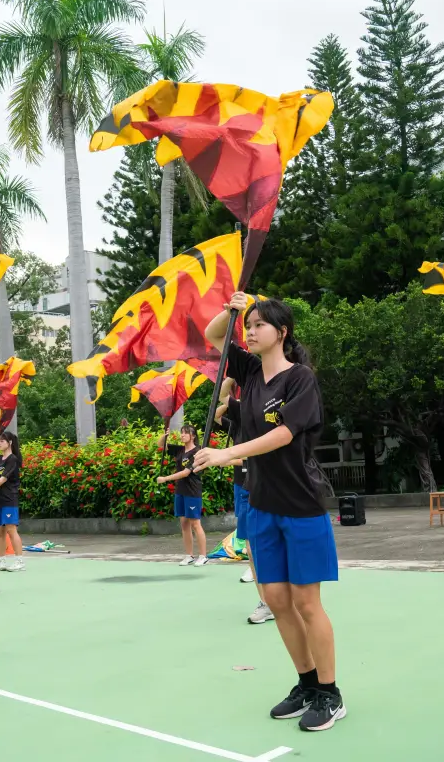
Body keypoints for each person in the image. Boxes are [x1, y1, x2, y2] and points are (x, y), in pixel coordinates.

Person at [194, 292, 344, 732]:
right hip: (261, 505)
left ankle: (331, 695)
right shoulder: (249, 372)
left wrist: (227, 454)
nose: (250, 331)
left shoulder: (300, 380)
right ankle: (307, 683)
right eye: (250, 325)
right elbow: (212, 334)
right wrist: (233, 308)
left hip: (300, 505)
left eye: (259, 325)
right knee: (277, 601)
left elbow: (283, 435)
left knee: (307, 603)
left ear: (282, 332)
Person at [215, 382, 273, 625]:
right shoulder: (238, 423)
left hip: (259, 486)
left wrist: (231, 372)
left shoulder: (257, 413)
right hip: (243, 487)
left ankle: (272, 600)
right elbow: (219, 412)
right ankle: (267, 600)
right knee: (250, 545)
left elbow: (223, 395)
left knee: (260, 545)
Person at [159, 424, 207, 566]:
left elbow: (186, 473)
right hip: (181, 490)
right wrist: (165, 435)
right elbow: (162, 445)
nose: (182, 435)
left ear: (193, 436)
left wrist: (165, 478)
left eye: (186, 433)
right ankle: (189, 555)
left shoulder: (197, 452)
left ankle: (203, 556)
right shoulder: (179, 450)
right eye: (181, 433)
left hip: (192, 491)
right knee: (184, 524)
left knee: (195, 523)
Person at [0, 430, 24, 573]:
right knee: (0, 532)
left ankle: (19, 560)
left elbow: (3, 478)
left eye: (2, 441)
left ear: (10, 443)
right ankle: (2, 559)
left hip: (9, 499)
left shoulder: (13, 459)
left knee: (11, 530)